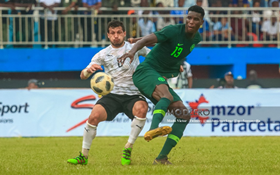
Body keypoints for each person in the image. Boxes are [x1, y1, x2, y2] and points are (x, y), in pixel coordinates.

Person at [118, 5, 204, 164]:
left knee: (184, 115)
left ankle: (161, 158)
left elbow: (174, 51)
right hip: (145, 71)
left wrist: (176, 64)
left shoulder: (196, 39)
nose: (191, 21)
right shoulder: (173, 30)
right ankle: (153, 129)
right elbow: (147, 40)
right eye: (189, 18)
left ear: (201, 23)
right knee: (166, 95)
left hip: (158, 76)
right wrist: (132, 51)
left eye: (195, 19)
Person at [67, 20, 150, 166]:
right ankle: (83, 156)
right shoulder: (102, 54)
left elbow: (153, 56)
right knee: (94, 116)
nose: (116, 36)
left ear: (124, 33)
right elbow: (83, 75)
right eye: (112, 33)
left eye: (119, 32)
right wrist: (87, 71)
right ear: (108, 35)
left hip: (133, 94)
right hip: (112, 94)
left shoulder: (135, 48)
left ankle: (128, 148)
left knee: (142, 109)